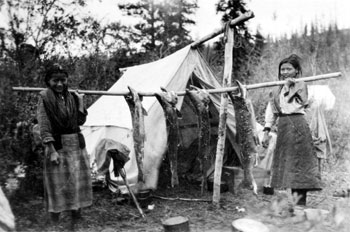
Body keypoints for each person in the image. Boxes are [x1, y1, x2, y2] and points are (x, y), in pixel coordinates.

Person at [36, 64, 92, 228]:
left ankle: (76, 219)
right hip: (57, 147)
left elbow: (80, 121)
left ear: (67, 80)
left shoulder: (72, 97)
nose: (59, 84)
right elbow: (44, 125)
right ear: (48, 81)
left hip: (76, 146)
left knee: (76, 183)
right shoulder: (44, 97)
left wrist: (80, 102)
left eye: (63, 80)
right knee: (57, 186)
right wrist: (51, 150)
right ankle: (55, 223)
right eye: (55, 81)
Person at [262, 54, 322, 206]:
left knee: (300, 165)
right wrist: (266, 131)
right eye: (282, 69)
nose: (285, 72)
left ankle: (300, 204)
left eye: (289, 69)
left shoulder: (301, 85)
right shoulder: (276, 90)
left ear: (296, 71)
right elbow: (272, 111)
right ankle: (293, 202)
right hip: (283, 127)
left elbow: (296, 104)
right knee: (288, 164)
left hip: (298, 125)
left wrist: (289, 86)